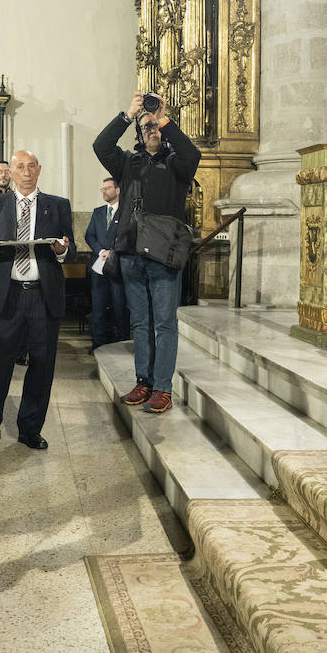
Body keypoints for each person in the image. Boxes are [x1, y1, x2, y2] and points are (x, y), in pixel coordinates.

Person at [93, 92, 201, 415]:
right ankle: (144, 380)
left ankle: (163, 388)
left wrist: (163, 119)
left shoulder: (176, 164)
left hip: (164, 255)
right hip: (130, 252)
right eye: (147, 127)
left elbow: (191, 154)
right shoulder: (129, 162)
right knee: (140, 322)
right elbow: (101, 146)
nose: (152, 130)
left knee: (164, 323)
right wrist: (128, 115)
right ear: (139, 134)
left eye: (156, 127)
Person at [0, 149, 75, 451]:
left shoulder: (57, 205)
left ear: (39, 170)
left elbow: (69, 249)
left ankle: (29, 429)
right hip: (7, 295)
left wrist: (62, 249)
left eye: (31, 166)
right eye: (19, 167)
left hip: (42, 296)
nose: (26, 172)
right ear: (9, 172)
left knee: (41, 365)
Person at [84, 176, 128, 352]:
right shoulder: (98, 212)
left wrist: (113, 251)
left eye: (108, 188)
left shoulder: (126, 212)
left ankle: (122, 342)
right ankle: (98, 343)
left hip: (117, 266)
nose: (104, 191)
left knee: (120, 306)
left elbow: (128, 236)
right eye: (102, 189)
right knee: (98, 307)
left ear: (117, 190)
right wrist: (100, 251)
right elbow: (89, 235)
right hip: (99, 266)